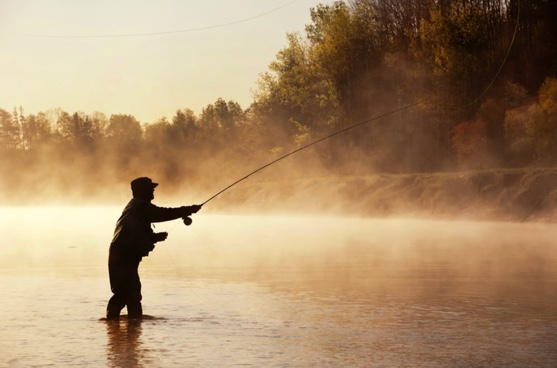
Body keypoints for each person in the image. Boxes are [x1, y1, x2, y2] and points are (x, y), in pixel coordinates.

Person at [106, 177, 201, 320]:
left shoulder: (134, 206)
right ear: (141, 191)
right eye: (150, 189)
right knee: (126, 293)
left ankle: (129, 329)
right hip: (124, 255)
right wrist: (188, 210)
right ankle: (117, 326)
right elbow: (164, 214)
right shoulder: (141, 206)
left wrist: (155, 237)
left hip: (121, 254)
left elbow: (135, 230)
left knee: (131, 293)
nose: (153, 191)